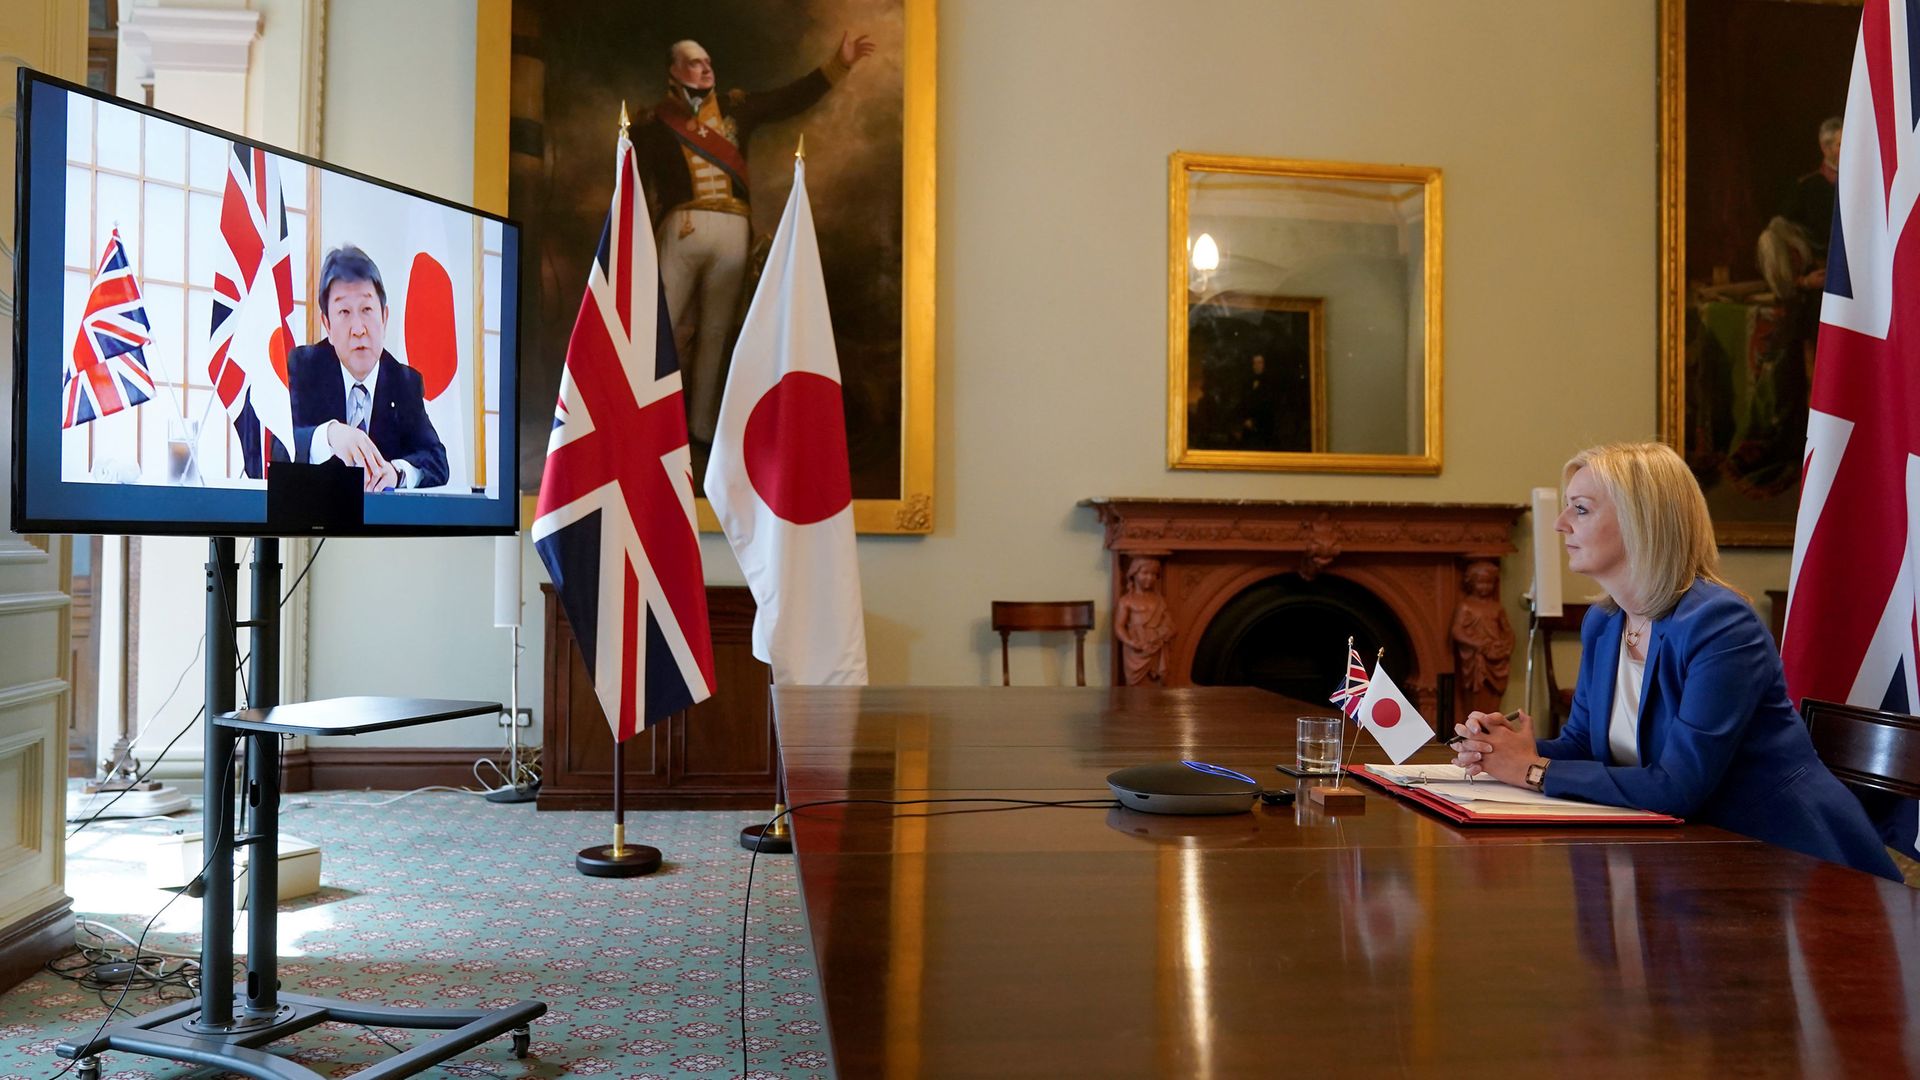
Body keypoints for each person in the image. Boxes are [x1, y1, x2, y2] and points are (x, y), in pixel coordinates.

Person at [1451, 442, 1899, 881]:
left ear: (1640, 522)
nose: (1560, 524)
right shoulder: (1604, 623)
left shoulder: (1721, 625)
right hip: (1694, 860)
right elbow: (1586, 747)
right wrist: (1503, 749)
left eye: (1581, 509)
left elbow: (1679, 787)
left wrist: (1531, 770)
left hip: (1794, 870)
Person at [632, 32, 876, 445]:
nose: (705, 67)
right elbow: (635, 187)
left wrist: (839, 63)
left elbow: (788, 99)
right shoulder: (651, 124)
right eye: (694, 62)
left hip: (732, 231)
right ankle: (642, 423)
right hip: (680, 229)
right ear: (673, 72)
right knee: (657, 330)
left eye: (707, 61)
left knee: (716, 333)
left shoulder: (737, 109)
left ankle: (700, 428)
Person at [287, 246, 448, 492]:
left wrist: (396, 473)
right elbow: (278, 445)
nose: (359, 329)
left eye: (366, 310)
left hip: (381, 527)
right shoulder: (303, 367)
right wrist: (328, 436)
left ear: (384, 317)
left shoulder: (404, 382)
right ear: (327, 325)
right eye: (344, 312)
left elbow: (437, 459)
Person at [1450, 561, 1513, 716]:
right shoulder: (1466, 606)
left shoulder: (1497, 607)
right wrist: (1478, 644)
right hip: (1477, 662)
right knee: (1476, 701)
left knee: (1493, 702)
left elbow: (1508, 631)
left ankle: (1491, 732)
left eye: (1489, 583)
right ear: (1471, 583)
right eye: (1481, 583)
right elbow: (1457, 631)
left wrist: (1506, 647)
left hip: (1496, 660)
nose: (1485, 587)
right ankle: (1475, 731)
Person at [1114, 556, 1175, 686]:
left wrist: (1164, 632)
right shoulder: (1126, 600)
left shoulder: (1159, 600)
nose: (1150, 578)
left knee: (1157, 686)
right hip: (1136, 649)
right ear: (1134, 574)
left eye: (1154, 574)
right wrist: (1130, 642)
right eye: (1145, 573)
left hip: (1156, 646)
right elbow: (1119, 627)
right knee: (1135, 689)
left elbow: (1169, 624)